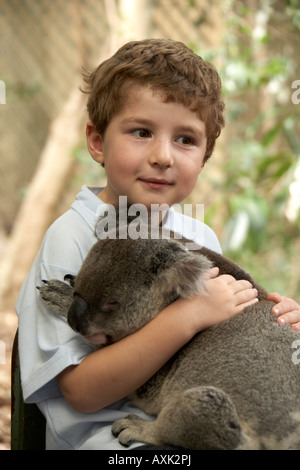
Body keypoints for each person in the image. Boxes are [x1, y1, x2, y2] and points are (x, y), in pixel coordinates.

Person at [16, 38, 300, 450]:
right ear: (97, 141)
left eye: (185, 140)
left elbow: (220, 345)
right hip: (106, 439)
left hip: (187, 428)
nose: (163, 156)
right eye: (142, 132)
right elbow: (80, 392)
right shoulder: (72, 236)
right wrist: (190, 315)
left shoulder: (199, 237)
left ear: (204, 158)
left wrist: (279, 324)